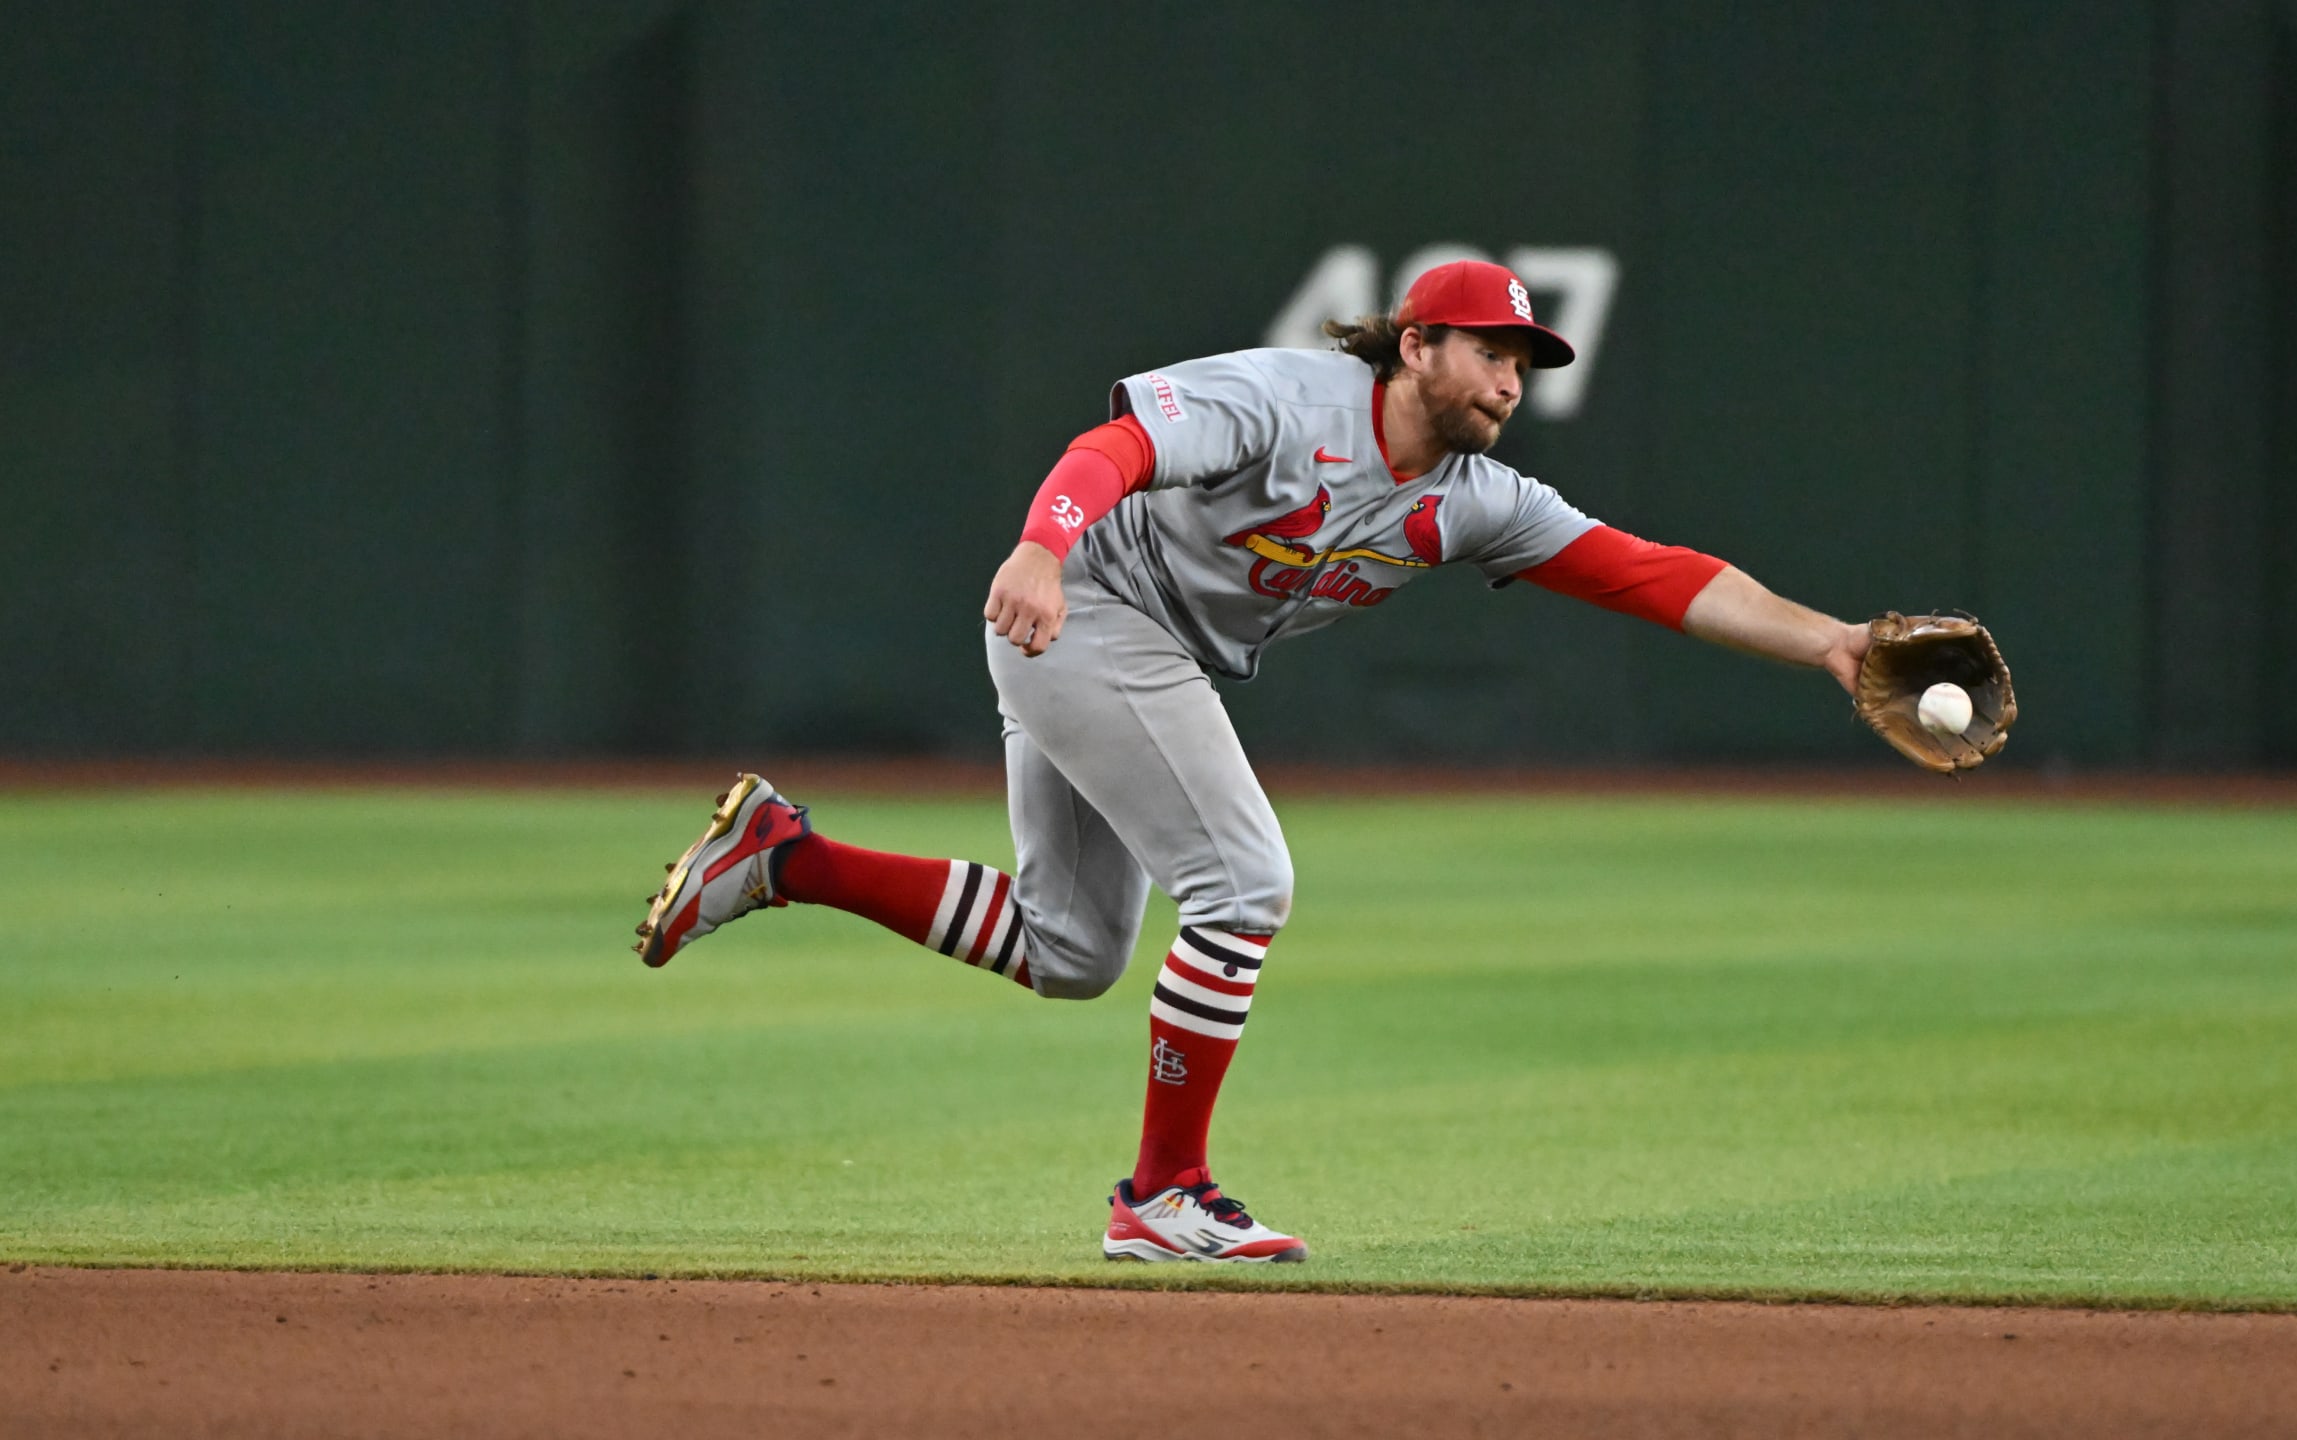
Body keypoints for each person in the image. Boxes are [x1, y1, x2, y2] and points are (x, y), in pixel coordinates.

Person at [633, 260, 1875, 1264]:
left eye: (1524, 362)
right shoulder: (1290, 401)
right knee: (1243, 883)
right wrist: (1039, 548)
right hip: (1085, 611)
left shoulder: (1476, 498)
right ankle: (1163, 1193)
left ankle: (785, 858)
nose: (1511, 379)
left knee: (1072, 952)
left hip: (1130, 649)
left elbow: (1653, 574)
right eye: (1491, 351)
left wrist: (1832, 641)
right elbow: (1113, 449)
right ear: (1415, 347)